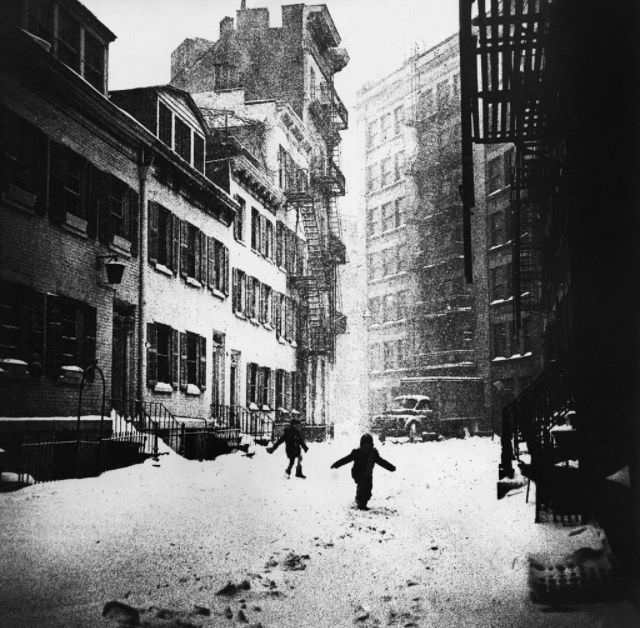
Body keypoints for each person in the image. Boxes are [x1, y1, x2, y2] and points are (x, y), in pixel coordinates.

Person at [330, 433, 396, 510]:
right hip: (358, 473)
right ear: (362, 444)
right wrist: (336, 464)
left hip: (368, 474)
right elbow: (346, 459)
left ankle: (361, 501)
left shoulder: (373, 453)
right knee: (362, 488)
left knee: (368, 490)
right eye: (365, 445)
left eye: (368, 445)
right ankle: (361, 503)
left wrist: (390, 467)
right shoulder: (357, 452)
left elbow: (381, 461)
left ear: (371, 444)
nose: (366, 447)